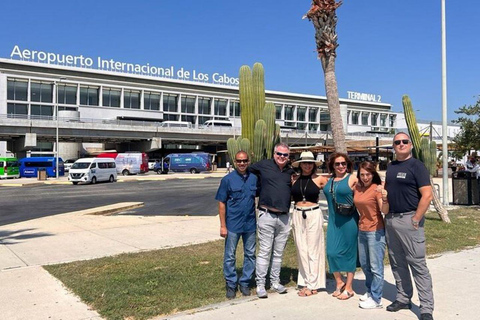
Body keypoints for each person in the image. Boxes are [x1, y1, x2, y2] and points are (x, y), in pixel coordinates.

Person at [384, 132, 434, 320]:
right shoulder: (391, 167)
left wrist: (416, 218)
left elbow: (427, 195)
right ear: (394, 146)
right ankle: (403, 297)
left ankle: (426, 308)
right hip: (391, 219)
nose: (401, 144)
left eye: (405, 141)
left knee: (418, 265)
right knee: (397, 263)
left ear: (411, 144)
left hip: (409, 220)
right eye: (397, 142)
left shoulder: (417, 166)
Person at [249, 143, 295, 298]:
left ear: (289, 157)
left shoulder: (291, 171)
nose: (282, 157)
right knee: (264, 251)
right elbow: (247, 171)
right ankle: (260, 284)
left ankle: (275, 282)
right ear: (274, 153)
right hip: (267, 215)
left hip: (283, 217)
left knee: (278, 252)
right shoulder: (264, 165)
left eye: (285, 155)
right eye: (279, 154)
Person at [215, 151, 258, 299]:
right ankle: (231, 284)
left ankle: (245, 282)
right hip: (233, 223)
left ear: (248, 161)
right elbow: (221, 203)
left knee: (250, 254)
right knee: (229, 256)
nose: (242, 163)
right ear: (235, 161)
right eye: (239, 161)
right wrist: (223, 225)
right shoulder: (227, 180)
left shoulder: (254, 179)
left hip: (250, 224)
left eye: (244, 161)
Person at [291, 151, 328, 297]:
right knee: (301, 248)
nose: (307, 165)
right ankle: (306, 280)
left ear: (314, 165)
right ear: (300, 164)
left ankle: (313, 284)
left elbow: (334, 192)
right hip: (297, 213)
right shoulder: (294, 179)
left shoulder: (320, 179)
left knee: (313, 248)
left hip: (313, 213)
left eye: (310, 163)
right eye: (304, 163)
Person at [324, 152, 358, 300]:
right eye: (337, 164)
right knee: (331, 252)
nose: (341, 166)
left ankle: (349, 287)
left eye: (343, 163)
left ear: (348, 165)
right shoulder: (329, 180)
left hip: (350, 221)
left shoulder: (352, 178)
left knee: (350, 253)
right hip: (333, 221)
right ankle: (339, 282)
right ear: (332, 165)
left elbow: (363, 194)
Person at [353, 161, 388, 309]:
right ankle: (370, 290)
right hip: (362, 229)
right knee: (366, 265)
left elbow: (384, 210)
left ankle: (376, 298)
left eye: (368, 174)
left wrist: (385, 197)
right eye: (362, 174)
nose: (365, 177)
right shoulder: (357, 187)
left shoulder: (377, 189)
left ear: (372, 174)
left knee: (376, 267)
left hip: (376, 231)